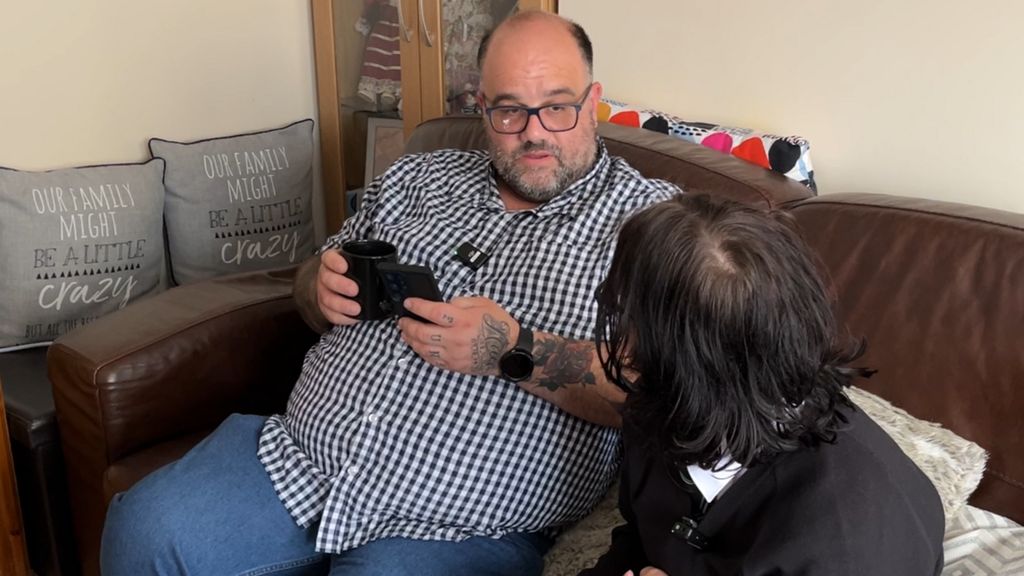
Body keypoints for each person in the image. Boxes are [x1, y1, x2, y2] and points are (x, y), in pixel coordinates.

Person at [100, 11, 681, 576]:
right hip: (299, 464)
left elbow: (662, 394)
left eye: (557, 106)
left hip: (459, 526)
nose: (533, 132)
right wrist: (317, 289)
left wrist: (515, 351)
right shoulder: (416, 178)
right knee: (145, 534)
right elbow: (311, 283)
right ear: (480, 107)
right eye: (509, 110)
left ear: (593, 100)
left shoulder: (651, 223)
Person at [581, 195, 945, 576]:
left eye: (627, 312)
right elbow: (642, 537)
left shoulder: (849, 542)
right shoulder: (657, 408)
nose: (621, 337)